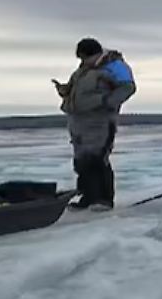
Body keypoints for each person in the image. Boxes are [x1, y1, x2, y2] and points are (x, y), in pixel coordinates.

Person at [55, 37, 137, 210]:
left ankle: (103, 200)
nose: (82, 61)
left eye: (84, 57)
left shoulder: (114, 66)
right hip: (79, 122)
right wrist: (64, 90)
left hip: (100, 121)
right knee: (82, 161)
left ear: (95, 53)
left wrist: (107, 102)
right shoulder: (83, 70)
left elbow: (128, 88)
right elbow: (75, 89)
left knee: (97, 158)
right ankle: (87, 197)